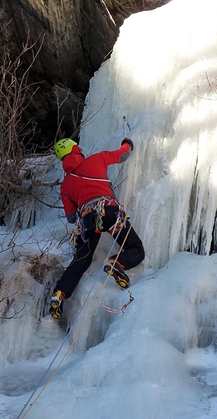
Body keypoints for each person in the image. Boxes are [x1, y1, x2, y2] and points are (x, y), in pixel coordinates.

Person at [49, 137, 145, 319]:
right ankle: (117, 262)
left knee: (81, 259)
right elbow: (122, 155)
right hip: (109, 212)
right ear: (75, 150)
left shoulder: (65, 185)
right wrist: (128, 143)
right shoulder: (95, 159)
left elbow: (71, 217)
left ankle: (59, 294)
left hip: (87, 221)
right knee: (136, 249)